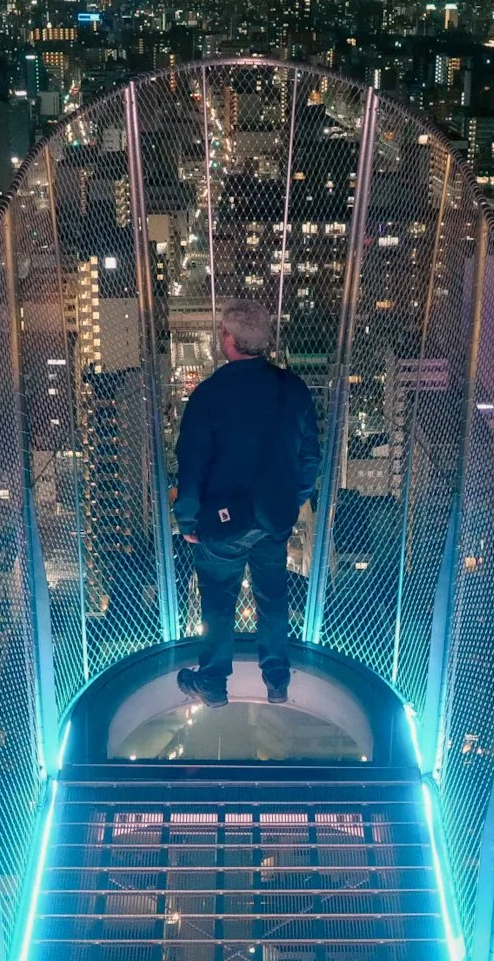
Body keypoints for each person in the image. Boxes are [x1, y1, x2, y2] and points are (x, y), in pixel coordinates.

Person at [172, 299, 320, 707]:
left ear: (230, 340)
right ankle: (276, 680)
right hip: (273, 518)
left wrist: (186, 520)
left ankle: (214, 682)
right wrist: (292, 501)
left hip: (223, 522)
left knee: (219, 598)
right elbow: (310, 458)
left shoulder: (209, 395)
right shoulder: (293, 389)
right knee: (272, 596)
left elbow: (192, 464)